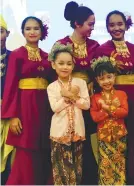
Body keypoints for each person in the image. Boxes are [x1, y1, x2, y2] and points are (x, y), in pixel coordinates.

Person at [94, 10, 134, 184]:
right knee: (119, 140)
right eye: (112, 25)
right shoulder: (102, 50)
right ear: (107, 28)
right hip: (116, 100)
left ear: (126, 25)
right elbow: (99, 79)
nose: (116, 28)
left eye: (120, 24)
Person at [1, 16, 52, 185]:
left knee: (44, 150)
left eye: (36, 28)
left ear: (42, 31)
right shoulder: (17, 55)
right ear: (22, 32)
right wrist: (13, 116)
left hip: (44, 108)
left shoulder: (47, 56)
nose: (32, 32)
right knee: (26, 151)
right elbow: (10, 86)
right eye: (28, 28)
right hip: (24, 108)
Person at [54, 2, 100, 184]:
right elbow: (54, 73)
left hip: (87, 99)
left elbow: (100, 72)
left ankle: (89, 178)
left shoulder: (95, 45)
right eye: (90, 24)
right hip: (67, 98)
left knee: (88, 138)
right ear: (77, 23)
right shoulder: (61, 45)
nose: (93, 28)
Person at [47, 43, 90, 185]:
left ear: (73, 65)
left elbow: (86, 105)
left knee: (77, 169)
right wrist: (67, 96)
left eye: (69, 64)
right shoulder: (51, 87)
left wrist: (72, 96)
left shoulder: (81, 83)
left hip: (77, 131)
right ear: (53, 65)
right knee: (60, 169)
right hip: (59, 133)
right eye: (61, 63)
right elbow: (55, 108)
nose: (65, 67)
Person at [90, 57, 128, 185]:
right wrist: (109, 110)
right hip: (103, 136)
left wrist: (107, 108)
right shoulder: (95, 98)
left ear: (114, 76)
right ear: (97, 80)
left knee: (120, 164)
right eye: (102, 79)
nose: (106, 81)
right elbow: (95, 117)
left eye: (109, 77)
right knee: (105, 165)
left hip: (120, 135)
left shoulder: (121, 94)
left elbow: (124, 112)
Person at [0, 14, 14, 185]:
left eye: (1, 31)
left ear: (8, 34)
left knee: (9, 159)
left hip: (9, 113)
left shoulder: (14, 57)